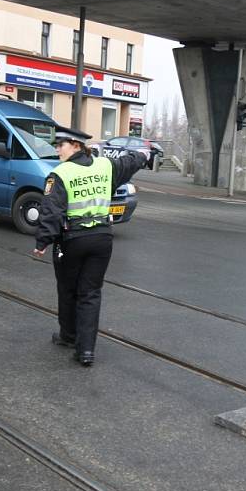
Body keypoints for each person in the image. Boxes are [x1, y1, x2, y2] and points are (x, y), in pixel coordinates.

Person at [32, 126, 148, 366]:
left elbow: (51, 210)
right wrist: (144, 155)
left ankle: (69, 336)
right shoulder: (105, 165)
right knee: (91, 293)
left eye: (60, 144)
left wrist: (43, 241)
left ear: (76, 145)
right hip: (102, 239)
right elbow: (133, 160)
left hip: (73, 240)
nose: (57, 149)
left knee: (68, 289)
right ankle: (86, 351)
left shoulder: (60, 173)